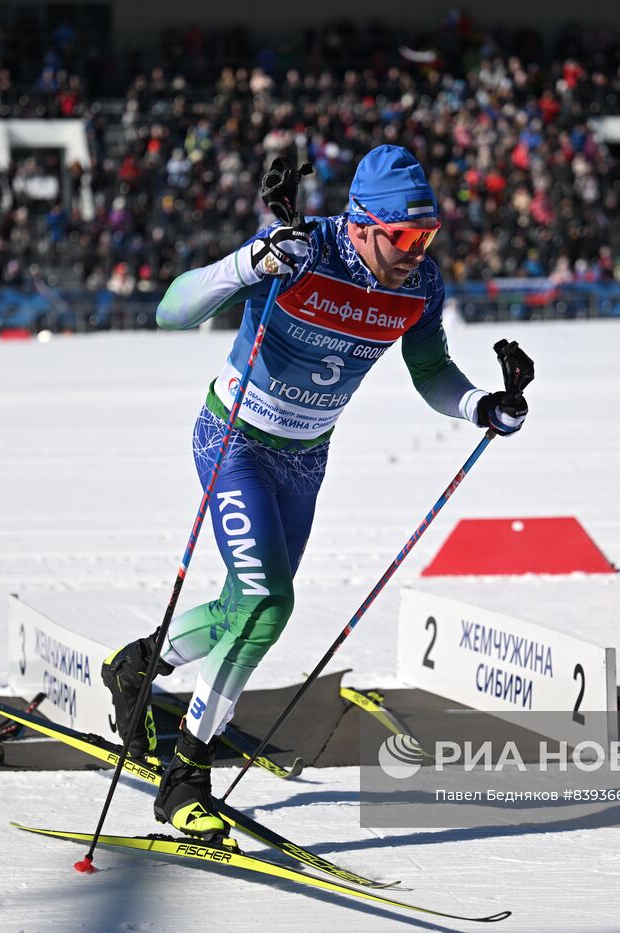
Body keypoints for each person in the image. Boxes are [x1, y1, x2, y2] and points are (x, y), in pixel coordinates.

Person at [102, 145, 530, 840]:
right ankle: (186, 775)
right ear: (361, 223)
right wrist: (251, 263)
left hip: (304, 460)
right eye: (405, 237)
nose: (417, 253)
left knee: (244, 606)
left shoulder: (419, 285)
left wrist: (481, 405)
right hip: (235, 440)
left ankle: (137, 665)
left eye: (428, 237)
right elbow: (171, 310)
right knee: (270, 603)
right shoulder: (302, 251)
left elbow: (431, 370)